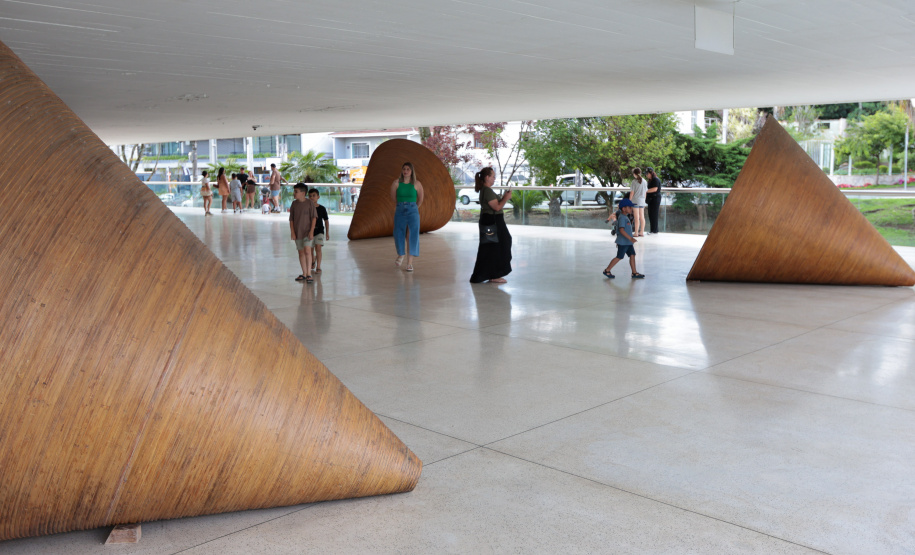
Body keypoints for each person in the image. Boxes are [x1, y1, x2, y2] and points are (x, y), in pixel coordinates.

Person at [469, 166, 513, 284]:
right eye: (493, 176)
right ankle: (494, 274)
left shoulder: (486, 190)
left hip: (491, 220)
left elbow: (496, 204)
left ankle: (491, 273)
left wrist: (503, 197)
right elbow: (497, 207)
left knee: (492, 247)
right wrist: (506, 198)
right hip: (493, 221)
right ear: (487, 177)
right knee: (496, 246)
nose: (494, 179)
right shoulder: (487, 190)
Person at [390, 162, 424, 272]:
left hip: (413, 211)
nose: (405, 171)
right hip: (400, 209)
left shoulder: (417, 184)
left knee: (412, 236)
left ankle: (409, 263)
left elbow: (420, 199)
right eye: (404, 169)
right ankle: (401, 254)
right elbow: (393, 197)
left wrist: (413, 207)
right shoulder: (396, 183)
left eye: (408, 169)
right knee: (398, 233)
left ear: (411, 171)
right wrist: (402, 205)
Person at [603, 199, 644, 279]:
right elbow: (621, 230)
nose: (631, 209)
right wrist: (630, 238)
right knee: (619, 257)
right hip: (623, 242)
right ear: (624, 209)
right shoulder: (622, 218)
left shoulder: (625, 217)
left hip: (628, 242)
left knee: (632, 255)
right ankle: (607, 270)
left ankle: (634, 273)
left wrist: (630, 239)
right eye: (629, 207)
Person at [289, 183, 317, 283]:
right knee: (301, 252)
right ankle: (304, 273)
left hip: (307, 232)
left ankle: (309, 273)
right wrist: (292, 232)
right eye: (294, 191)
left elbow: (314, 218)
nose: (294, 193)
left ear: (303, 193)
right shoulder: (294, 204)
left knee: (308, 251)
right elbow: (291, 219)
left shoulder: (310, 203)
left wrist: (311, 231)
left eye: (296, 192)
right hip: (298, 232)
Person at [308, 188, 330, 273]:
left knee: (318, 248)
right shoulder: (307, 208)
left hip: (319, 231)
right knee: (310, 249)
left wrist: (327, 232)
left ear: (318, 197)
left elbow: (326, 221)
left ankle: (318, 267)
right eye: (310, 196)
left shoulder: (322, 208)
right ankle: (313, 260)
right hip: (309, 232)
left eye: (314, 196)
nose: (312, 197)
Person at [629, 168, 647, 237]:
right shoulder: (645, 181)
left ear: (634, 174)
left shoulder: (634, 182)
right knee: (642, 217)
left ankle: (636, 232)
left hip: (635, 201)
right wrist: (644, 200)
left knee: (636, 217)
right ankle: (641, 232)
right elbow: (645, 192)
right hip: (642, 201)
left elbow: (632, 193)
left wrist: (629, 201)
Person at [645, 167, 662, 234]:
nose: (646, 175)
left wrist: (645, 191)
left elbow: (655, 189)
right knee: (651, 214)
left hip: (655, 198)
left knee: (654, 214)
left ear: (651, 173)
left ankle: (654, 230)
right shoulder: (650, 180)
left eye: (647, 174)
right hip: (651, 199)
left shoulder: (655, 179)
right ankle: (653, 229)